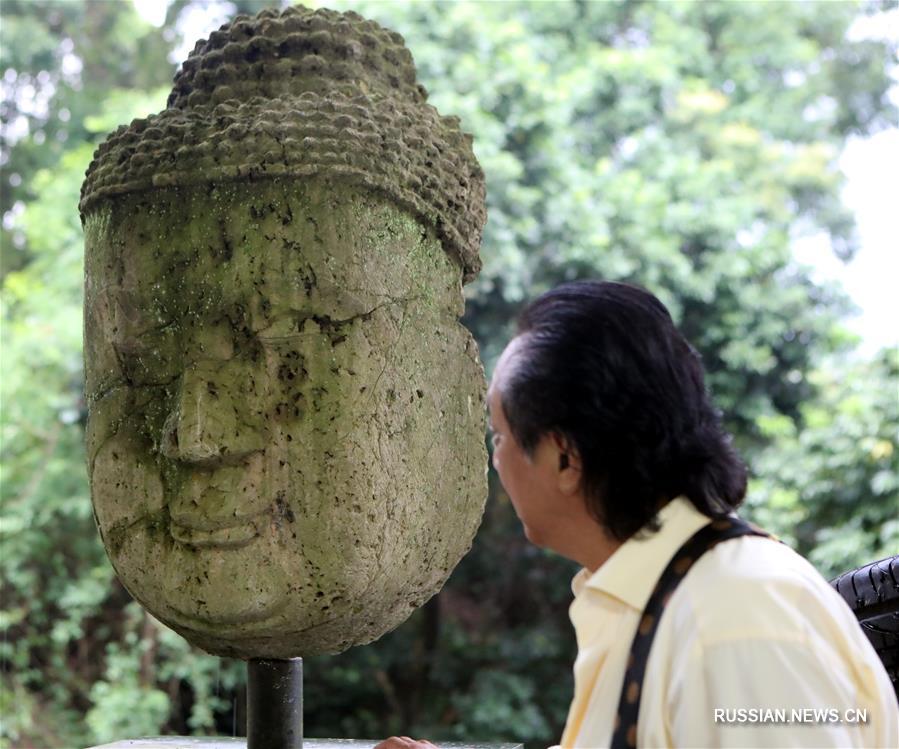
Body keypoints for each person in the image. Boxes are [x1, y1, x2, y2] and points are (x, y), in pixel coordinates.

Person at [376, 280, 898, 748]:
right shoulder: (658, 597)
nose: (495, 459)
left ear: (564, 458)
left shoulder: (734, 621)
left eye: (501, 436)